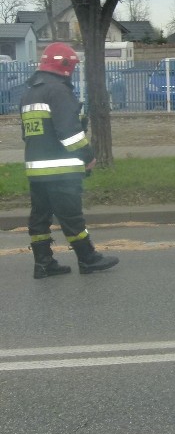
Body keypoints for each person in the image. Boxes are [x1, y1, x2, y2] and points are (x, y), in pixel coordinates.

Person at [20, 42, 119, 278]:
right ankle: (88, 259)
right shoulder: (58, 91)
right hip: (61, 170)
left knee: (40, 217)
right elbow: (70, 134)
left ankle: (43, 263)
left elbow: (27, 134)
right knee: (72, 216)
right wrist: (88, 156)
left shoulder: (29, 92)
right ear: (64, 65)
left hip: (36, 169)